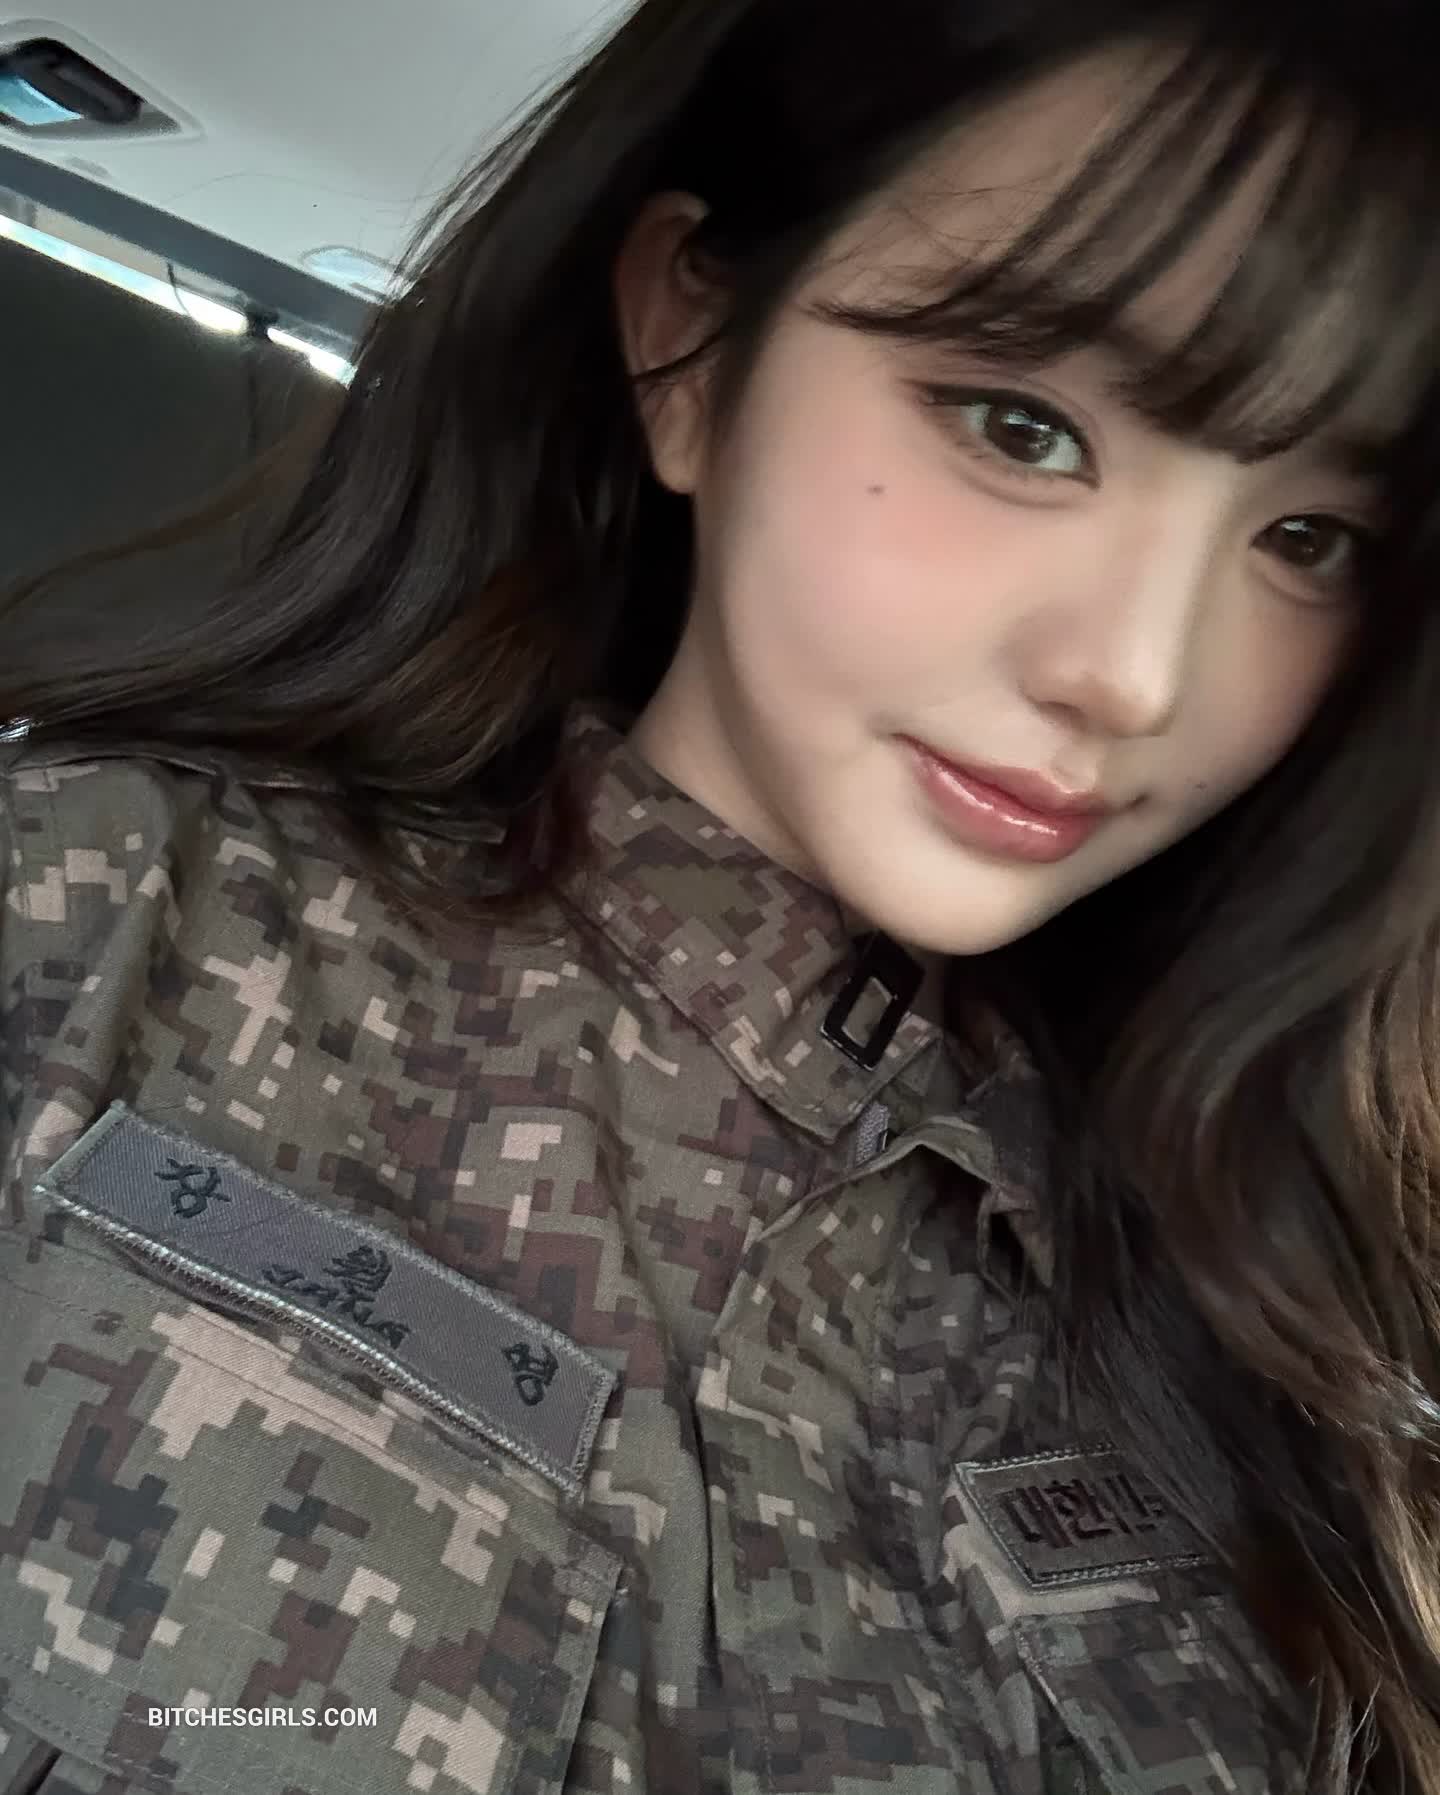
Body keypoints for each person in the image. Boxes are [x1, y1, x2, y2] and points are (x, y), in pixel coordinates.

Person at [2, 0, 1439, 1789]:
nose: (1137, 676)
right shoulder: (88, 914)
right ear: (688, 345)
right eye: (1022, 426)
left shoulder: (1282, 1302)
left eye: (1308, 540)